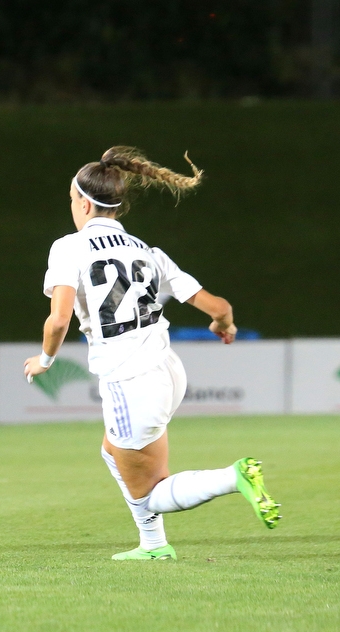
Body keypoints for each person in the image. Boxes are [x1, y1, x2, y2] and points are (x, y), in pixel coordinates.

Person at [23, 146, 281, 561]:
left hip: (129, 379)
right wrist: (224, 326)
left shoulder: (68, 247)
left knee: (151, 492)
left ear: (85, 203)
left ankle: (233, 477)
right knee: (113, 452)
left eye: (72, 200)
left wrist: (45, 361)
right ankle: (154, 545)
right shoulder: (148, 250)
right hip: (167, 370)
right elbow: (219, 308)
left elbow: (58, 321)